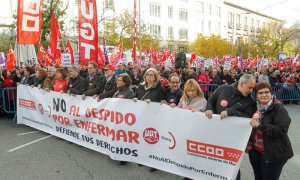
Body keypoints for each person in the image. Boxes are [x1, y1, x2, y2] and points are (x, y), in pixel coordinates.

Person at [205, 74, 257, 180]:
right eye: (250, 87)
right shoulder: (223, 88)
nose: (251, 90)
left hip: (233, 139)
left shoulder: (250, 101)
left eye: (253, 88)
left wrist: (231, 112)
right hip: (214, 134)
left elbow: (247, 117)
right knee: (212, 160)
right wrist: (209, 108)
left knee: (231, 164)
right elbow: (211, 100)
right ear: (242, 83)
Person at [247, 82, 293, 180]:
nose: (264, 95)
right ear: (256, 95)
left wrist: (260, 125)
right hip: (255, 151)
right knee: (258, 177)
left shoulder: (279, 109)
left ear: (271, 93)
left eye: (267, 92)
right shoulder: (256, 107)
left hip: (272, 154)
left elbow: (281, 130)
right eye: (260, 93)